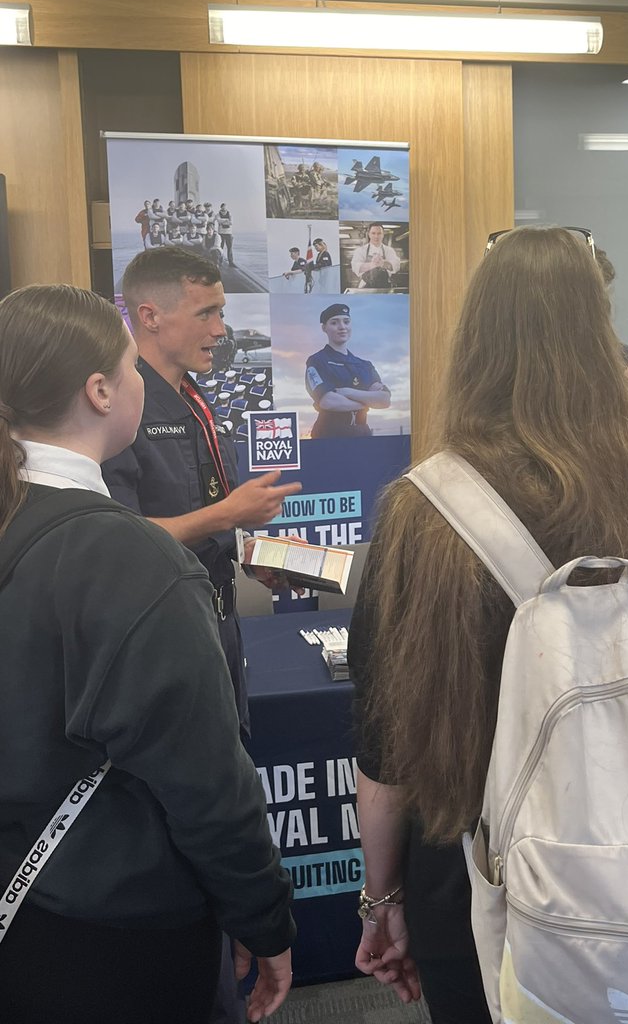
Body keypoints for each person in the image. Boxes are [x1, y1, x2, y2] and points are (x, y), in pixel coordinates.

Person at [348, 229, 628, 1024]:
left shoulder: (425, 513)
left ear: (476, 341)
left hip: (470, 874)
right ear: (600, 338)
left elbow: (387, 749)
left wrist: (378, 896)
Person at [0, 284, 294, 1024]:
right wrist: (264, 923)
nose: (141, 383)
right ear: (100, 392)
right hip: (117, 938)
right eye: (130, 367)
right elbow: (206, 783)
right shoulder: (126, 557)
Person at [101, 249, 302, 1024]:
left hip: (216, 618)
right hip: (167, 645)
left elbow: (200, 524)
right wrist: (228, 518)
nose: (223, 328)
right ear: (149, 316)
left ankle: (234, 944)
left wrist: (256, 558)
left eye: (223, 311)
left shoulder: (190, 396)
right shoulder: (121, 408)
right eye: (208, 313)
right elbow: (117, 539)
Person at [305, 303, 390, 438]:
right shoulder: (317, 361)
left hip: (363, 435)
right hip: (329, 435)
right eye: (334, 323)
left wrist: (347, 392)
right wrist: (367, 401)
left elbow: (384, 400)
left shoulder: (364, 365)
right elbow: (328, 401)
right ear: (324, 328)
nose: (342, 327)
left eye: (346, 322)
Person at [350, 223, 401, 290]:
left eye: (379, 233)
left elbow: (396, 266)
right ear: (369, 234)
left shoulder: (389, 250)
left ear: (383, 235)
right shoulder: (361, 250)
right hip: (365, 288)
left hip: (385, 288)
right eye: (373, 233)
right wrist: (372, 264)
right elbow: (355, 267)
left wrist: (383, 263)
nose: (376, 236)